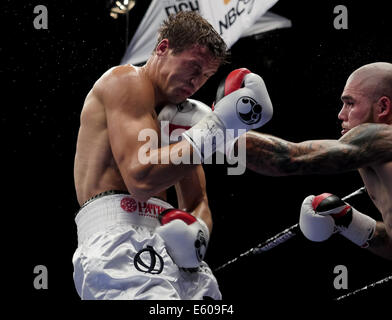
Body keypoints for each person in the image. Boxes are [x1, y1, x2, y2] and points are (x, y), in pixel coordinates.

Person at [72, 11, 273, 300]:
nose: (197, 82)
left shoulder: (182, 117)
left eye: (206, 76)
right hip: (120, 241)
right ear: (163, 48)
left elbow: (197, 200)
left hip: (174, 254)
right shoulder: (125, 80)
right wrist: (218, 126)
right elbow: (141, 180)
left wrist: (197, 235)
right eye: (193, 67)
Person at [230, 62, 392, 260]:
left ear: (383, 107)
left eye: (350, 103)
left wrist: (220, 128)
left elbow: (288, 158)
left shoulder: (380, 138)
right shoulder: (377, 157)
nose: (341, 114)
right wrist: (350, 222)